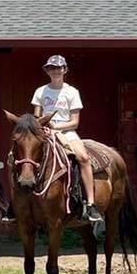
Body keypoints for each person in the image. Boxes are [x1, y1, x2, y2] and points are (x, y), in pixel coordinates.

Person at [32, 55, 101, 223]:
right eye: (52, 68)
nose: (55, 71)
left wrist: (57, 127)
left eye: (59, 68)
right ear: (47, 70)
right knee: (25, 156)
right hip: (45, 130)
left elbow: (75, 122)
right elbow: (36, 117)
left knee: (83, 158)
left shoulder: (72, 92)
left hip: (66, 131)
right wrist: (44, 127)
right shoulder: (40, 91)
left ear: (65, 70)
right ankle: (18, 203)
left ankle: (90, 204)